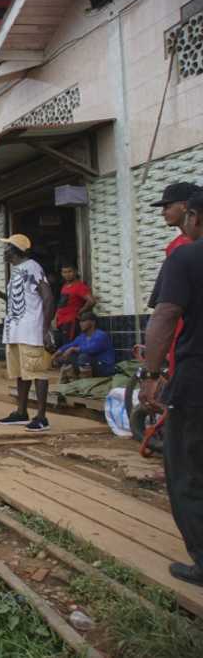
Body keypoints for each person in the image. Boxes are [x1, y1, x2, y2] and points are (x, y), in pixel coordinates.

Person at [140, 190, 203, 586]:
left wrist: (150, 373)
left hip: (196, 378)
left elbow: (164, 316)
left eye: (168, 206)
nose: (164, 211)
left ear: (192, 215)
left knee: (187, 470)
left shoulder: (184, 257)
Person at [0, 234, 56, 432]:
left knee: (38, 372)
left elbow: (48, 298)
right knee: (20, 374)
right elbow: (24, 299)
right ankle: (21, 412)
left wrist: (45, 330)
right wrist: (2, 296)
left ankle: (42, 417)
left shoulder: (33, 267)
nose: (4, 251)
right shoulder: (17, 271)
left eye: (7, 247)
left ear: (16, 250)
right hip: (15, 331)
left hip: (31, 331)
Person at [148, 182, 202, 375]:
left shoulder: (183, 250)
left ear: (187, 206)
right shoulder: (174, 246)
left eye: (167, 206)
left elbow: (166, 312)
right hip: (179, 335)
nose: (163, 212)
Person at [52, 311, 115, 380]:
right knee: (70, 356)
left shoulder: (101, 335)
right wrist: (57, 352)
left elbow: (92, 349)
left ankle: (85, 382)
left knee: (84, 356)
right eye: (80, 321)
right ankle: (72, 380)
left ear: (93, 322)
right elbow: (70, 345)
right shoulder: (82, 336)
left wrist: (73, 349)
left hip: (104, 367)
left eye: (84, 321)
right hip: (93, 366)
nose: (80, 324)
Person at [54, 264, 95, 342]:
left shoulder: (79, 286)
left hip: (71, 322)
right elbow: (61, 305)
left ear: (75, 272)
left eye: (70, 271)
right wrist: (55, 318)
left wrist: (80, 312)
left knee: (69, 346)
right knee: (63, 347)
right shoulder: (65, 286)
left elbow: (92, 301)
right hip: (61, 322)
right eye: (64, 272)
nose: (67, 274)